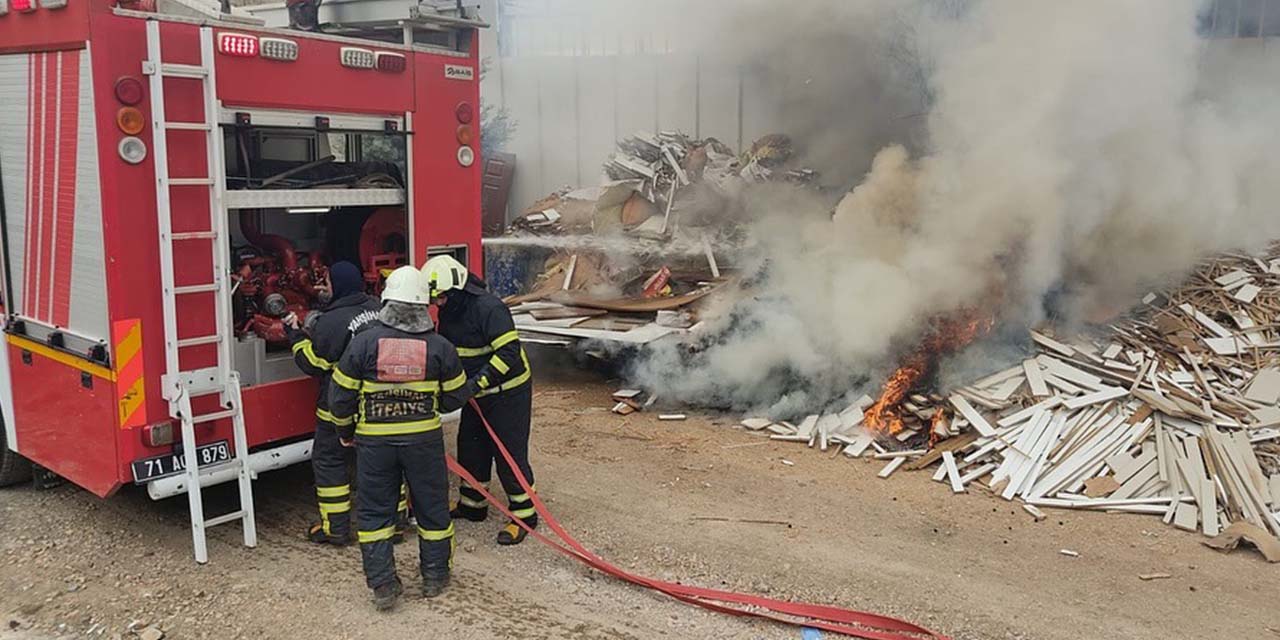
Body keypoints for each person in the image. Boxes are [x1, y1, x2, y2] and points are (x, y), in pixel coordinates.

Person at [329, 266, 476, 610]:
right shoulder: (440, 346)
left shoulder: (363, 343)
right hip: (422, 443)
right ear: (425, 305)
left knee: (376, 515)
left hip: (374, 445)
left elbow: (340, 397)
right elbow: (456, 397)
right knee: (432, 509)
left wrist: (345, 432)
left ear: (386, 301)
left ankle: (383, 586)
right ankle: (435, 577)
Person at [421, 255, 536, 546]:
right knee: (471, 447)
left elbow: (508, 353)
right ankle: (472, 507)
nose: (438, 304)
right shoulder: (451, 310)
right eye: (436, 299)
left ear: (458, 289)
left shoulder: (489, 308)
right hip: (476, 394)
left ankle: (524, 516)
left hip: (507, 393)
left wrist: (477, 383)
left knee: (508, 454)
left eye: (442, 297)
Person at [286, 261, 382, 546]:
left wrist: (295, 335)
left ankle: (336, 528)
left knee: (329, 461)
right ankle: (396, 523)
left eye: (326, 282)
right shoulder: (378, 307)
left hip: (339, 406)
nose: (322, 287)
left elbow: (314, 363)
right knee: (381, 461)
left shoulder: (332, 320)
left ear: (337, 285)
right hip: (378, 402)